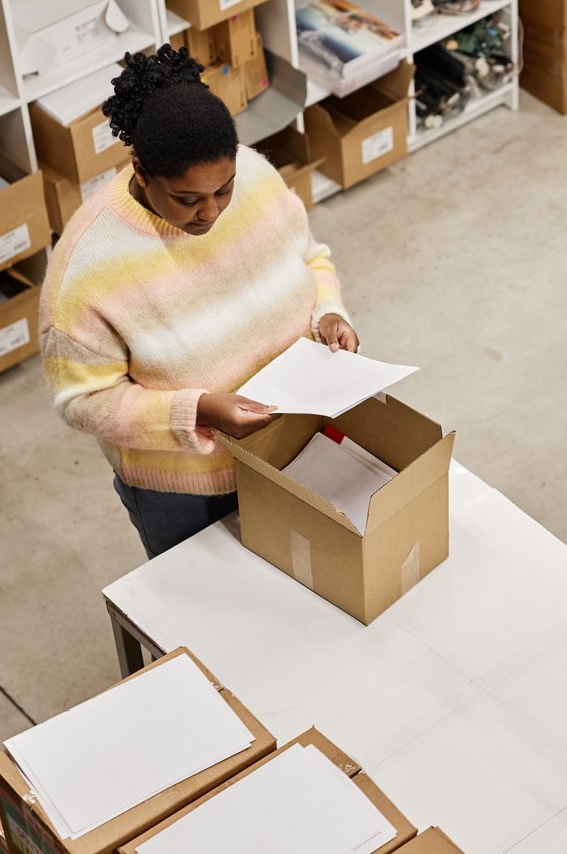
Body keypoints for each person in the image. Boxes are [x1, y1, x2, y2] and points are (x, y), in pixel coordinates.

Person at [39, 45, 358, 558]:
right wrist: (197, 411)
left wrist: (329, 313)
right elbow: (81, 401)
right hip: (185, 492)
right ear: (142, 172)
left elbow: (310, 257)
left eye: (224, 190)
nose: (210, 212)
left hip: (293, 444)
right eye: (187, 199)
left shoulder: (255, 176)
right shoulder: (85, 270)